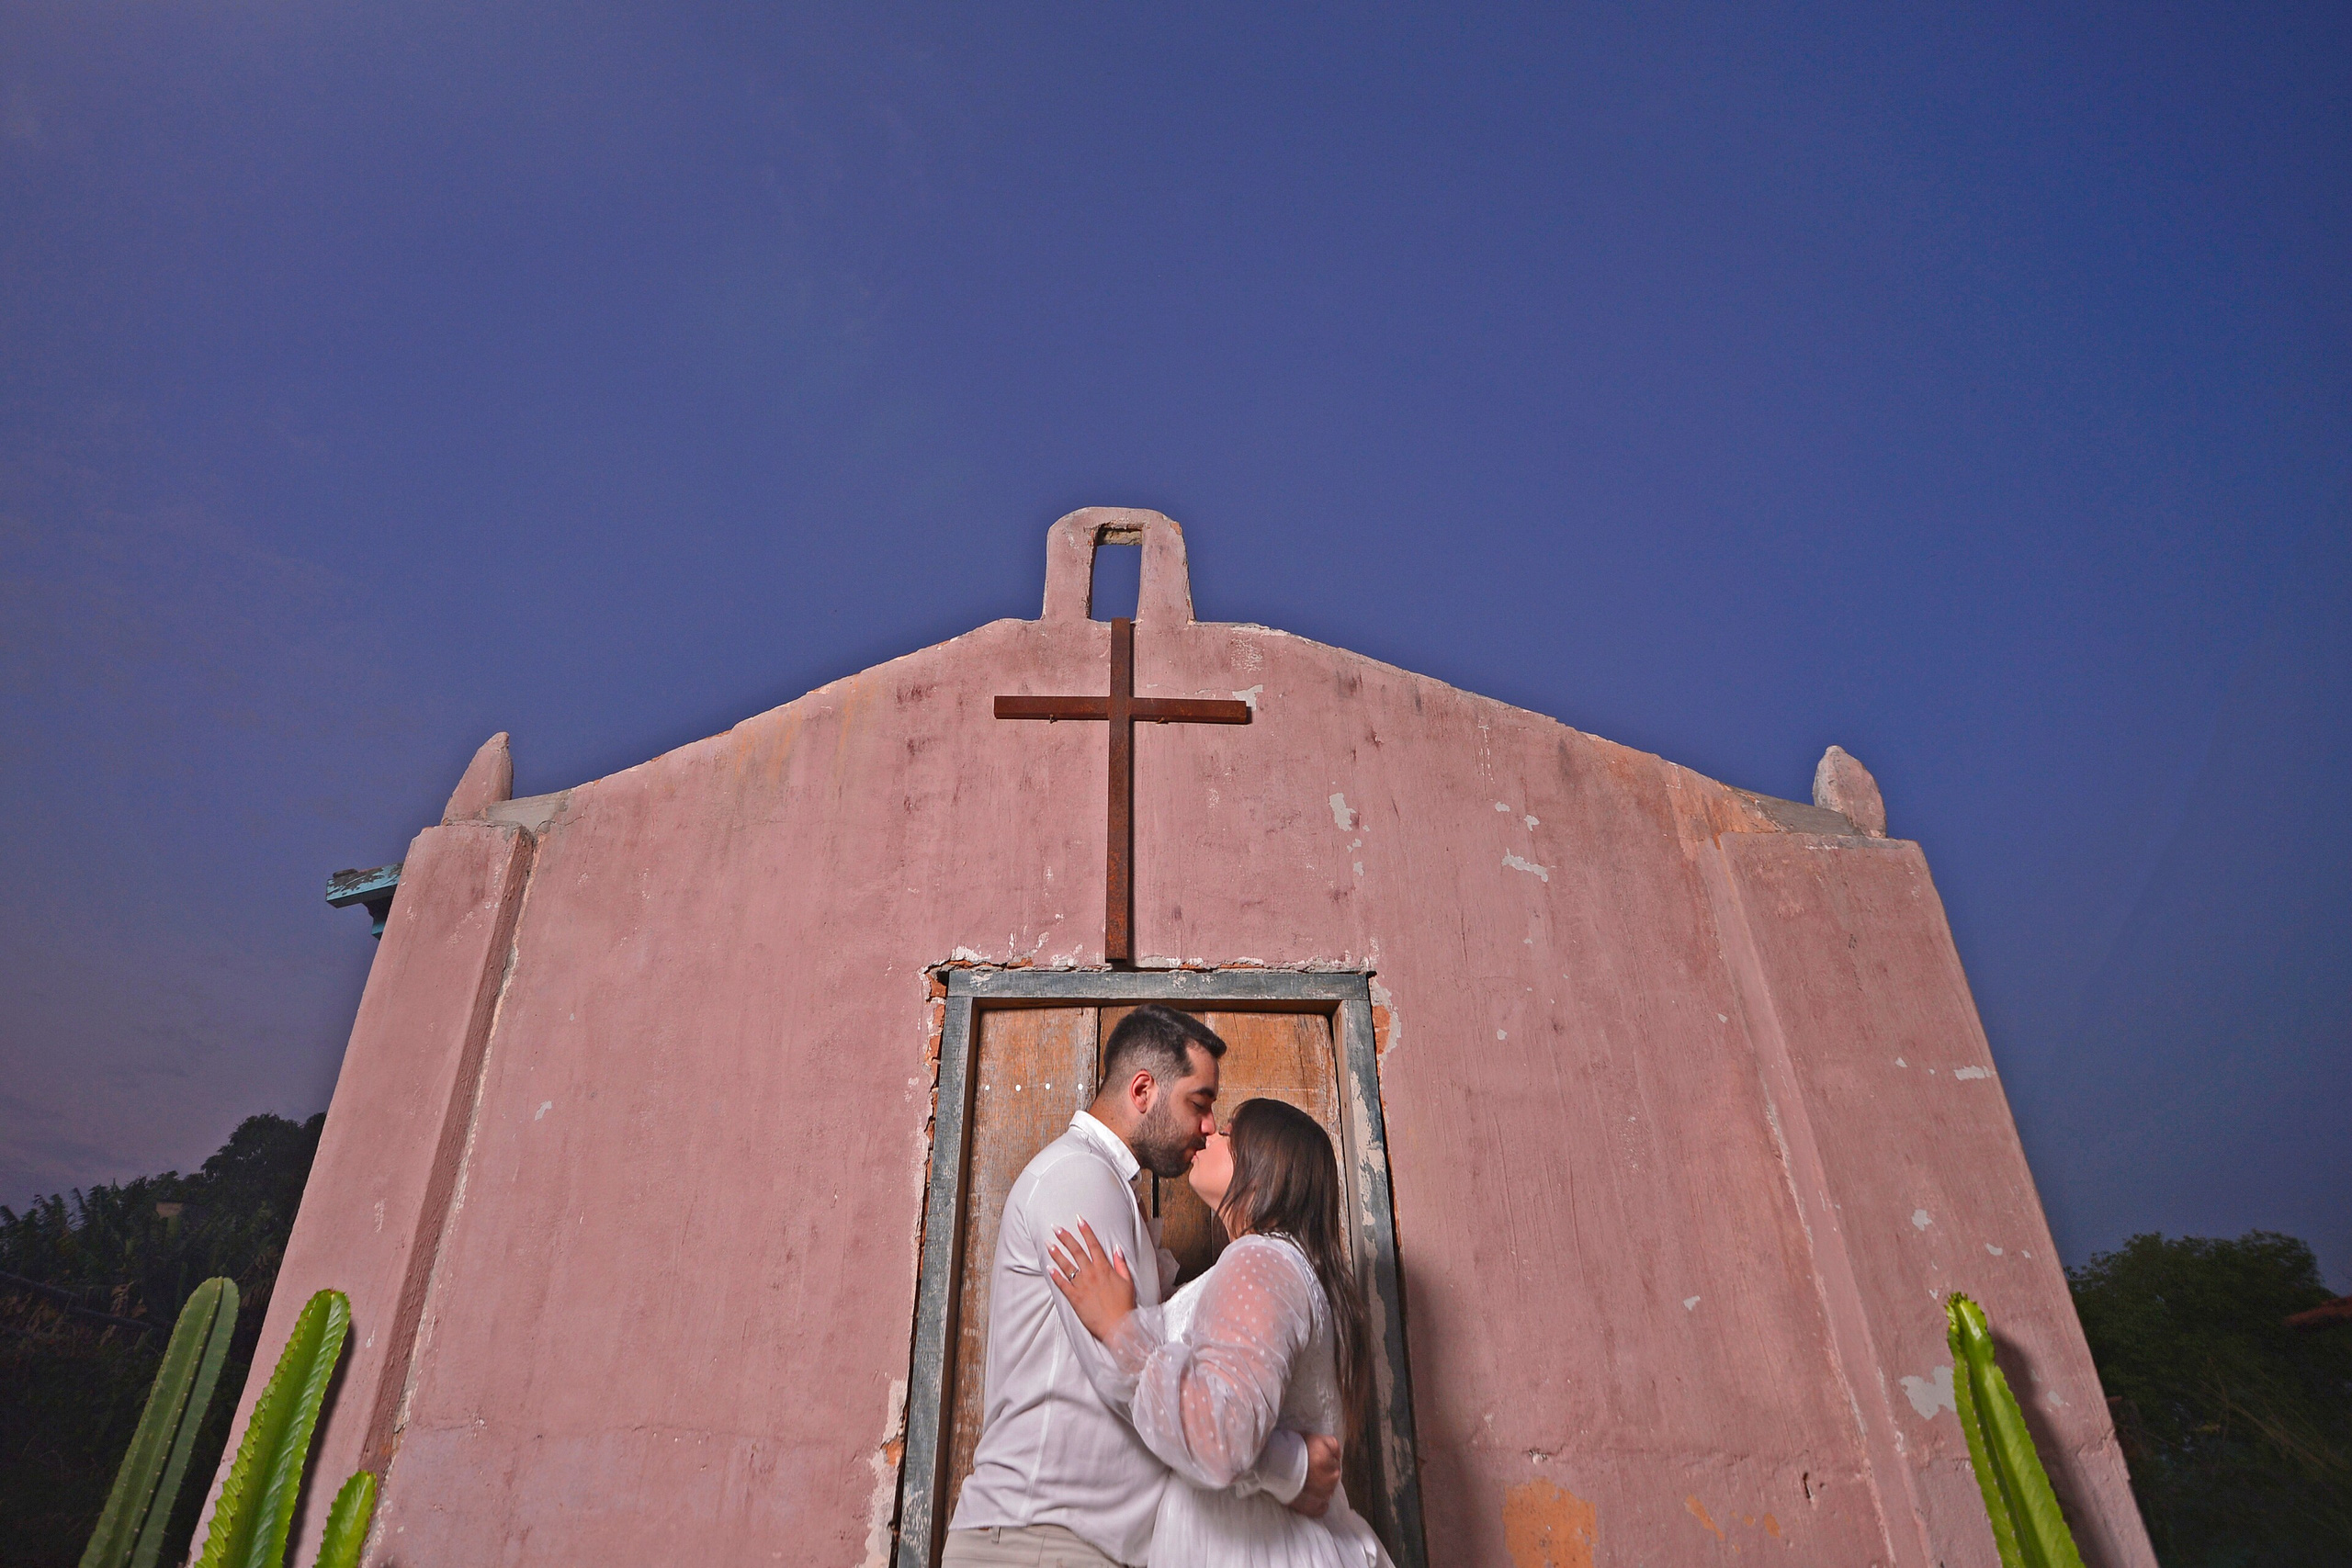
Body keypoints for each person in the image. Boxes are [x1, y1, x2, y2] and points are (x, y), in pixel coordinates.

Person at [944, 1007, 1342, 1567]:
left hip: (1078, 1542)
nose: (1207, 1126)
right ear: (1143, 1090)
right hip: (1042, 1538)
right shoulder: (1079, 1178)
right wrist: (1289, 1468)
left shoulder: (1116, 1191)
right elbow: (1119, 1367)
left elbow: (1148, 1356)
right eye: (1200, 1104)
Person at [1049, 1097, 1396, 1568]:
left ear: (1263, 1169)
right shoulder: (1276, 1266)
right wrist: (1290, 1467)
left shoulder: (1260, 1261)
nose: (1210, 1133)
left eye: (1229, 1132)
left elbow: (1221, 1437)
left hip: (1251, 1548)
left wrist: (1118, 1327)